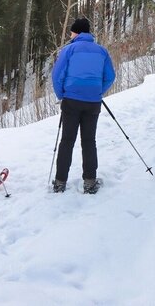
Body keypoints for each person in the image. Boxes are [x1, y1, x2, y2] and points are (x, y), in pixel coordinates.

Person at [50, 18, 115, 194]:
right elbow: (110, 76)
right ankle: (90, 182)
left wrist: (61, 94)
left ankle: (60, 182)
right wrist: (98, 91)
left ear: (77, 32)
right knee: (89, 141)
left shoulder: (69, 49)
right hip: (93, 102)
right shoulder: (101, 51)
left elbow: (57, 75)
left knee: (67, 141)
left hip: (71, 100)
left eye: (71, 32)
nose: (70, 35)